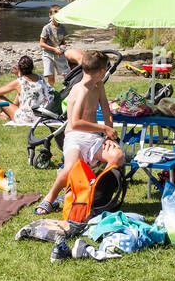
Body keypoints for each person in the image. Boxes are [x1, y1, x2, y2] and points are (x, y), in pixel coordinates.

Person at [35, 50, 125, 215]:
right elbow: (75, 123)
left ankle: (96, 196)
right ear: (101, 71)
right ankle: (50, 198)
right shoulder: (81, 90)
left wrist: (107, 135)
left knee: (117, 156)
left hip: (92, 137)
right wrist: (104, 128)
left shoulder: (98, 86)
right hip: (75, 137)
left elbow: (106, 111)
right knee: (69, 169)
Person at [0, 56, 50, 123]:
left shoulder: (19, 82)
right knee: (23, 91)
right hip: (43, 115)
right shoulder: (40, 77)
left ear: (19, 68)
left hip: (26, 118)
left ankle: (7, 115)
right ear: (32, 67)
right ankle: (7, 115)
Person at [39, 6, 69, 87]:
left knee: (66, 74)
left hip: (59, 54)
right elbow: (42, 43)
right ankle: (50, 94)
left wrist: (62, 47)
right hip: (48, 55)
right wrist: (53, 49)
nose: (57, 19)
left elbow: (63, 42)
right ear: (50, 15)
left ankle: (68, 91)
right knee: (51, 78)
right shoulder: (47, 28)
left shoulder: (63, 28)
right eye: (55, 16)